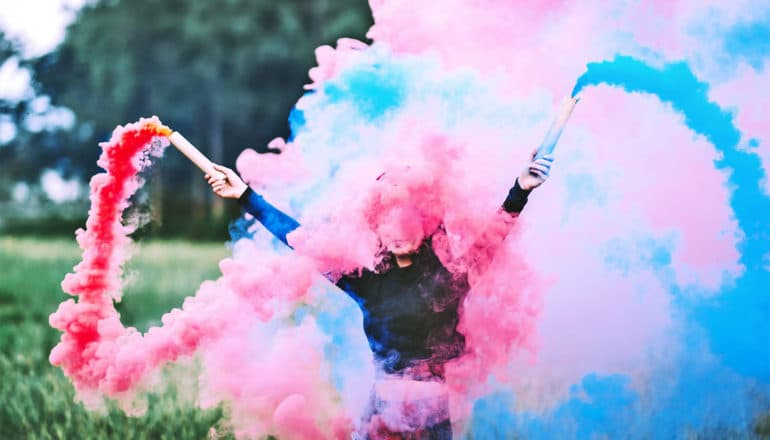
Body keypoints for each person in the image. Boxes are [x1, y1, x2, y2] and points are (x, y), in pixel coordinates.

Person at [206, 150, 553, 439]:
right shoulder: (366, 282)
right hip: (379, 419)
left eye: (407, 222)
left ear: (427, 225)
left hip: (431, 423)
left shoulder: (451, 279)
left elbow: (491, 239)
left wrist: (520, 190)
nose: (397, 233)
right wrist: (246, 197)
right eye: (388, 224)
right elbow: (302, 241)